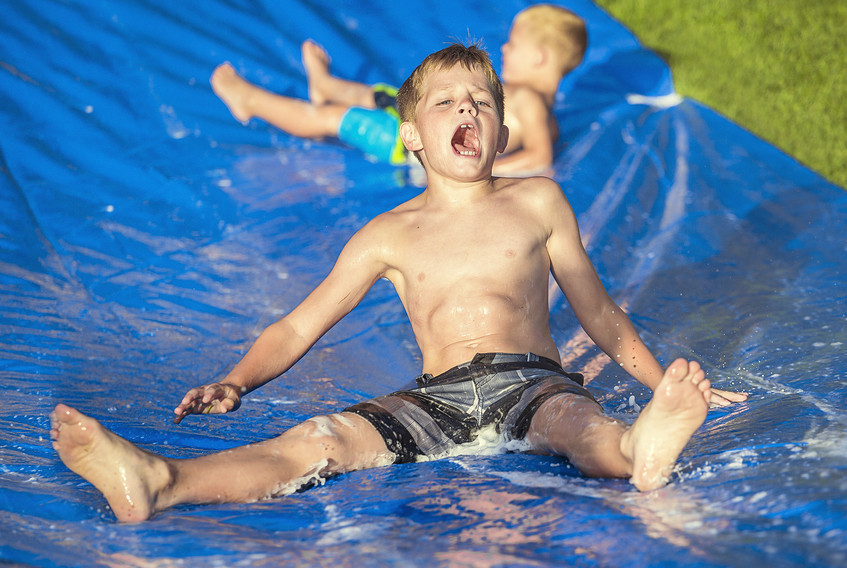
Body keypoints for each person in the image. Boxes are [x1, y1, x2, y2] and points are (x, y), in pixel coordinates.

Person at [50, 44, 747, 523]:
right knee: (322, 438)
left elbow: (600, 313)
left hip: (532, 379)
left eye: (481, 101)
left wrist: (660, 383)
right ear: (411, 133)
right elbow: (299, 324)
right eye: (446, 103)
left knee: (576, 424)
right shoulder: (388, 234)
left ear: (502, 131)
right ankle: (162, 482)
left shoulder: (538, 202)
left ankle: (639, 450)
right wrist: (238, 379)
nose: (467, 110)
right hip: (434, 397)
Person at [209, 4, 587, 175]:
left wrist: (481, 171)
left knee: (333, 119)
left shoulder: (528, 101)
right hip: (428, 120)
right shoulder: (538, 108)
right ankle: (327, 85)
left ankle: (252, 101)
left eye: (512, 44)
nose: (503, 49)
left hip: (407, 142)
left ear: (538, 57)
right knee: (397, 94)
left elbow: (540, 159)